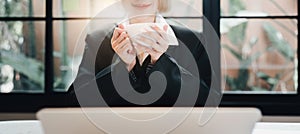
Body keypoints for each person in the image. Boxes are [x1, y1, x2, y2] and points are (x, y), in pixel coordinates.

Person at [67, 0, 212, 106]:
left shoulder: (193, 41)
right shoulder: (97, 40)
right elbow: (75, 101)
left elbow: (209, 102)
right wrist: (123, 66)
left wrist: (161, 61)